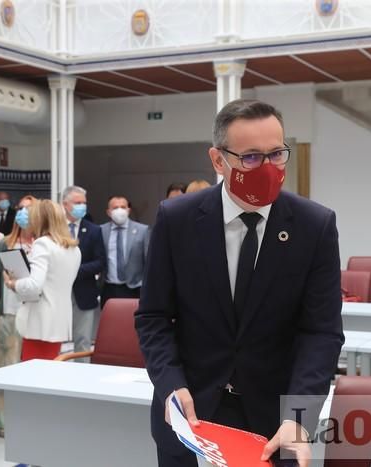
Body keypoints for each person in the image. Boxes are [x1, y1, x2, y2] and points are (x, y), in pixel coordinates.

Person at [135, 99, 344, 467]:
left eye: (277, 154)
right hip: (190, 418)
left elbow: (321, 333)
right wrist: (169, 384)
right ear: (218, 160)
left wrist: (298, 418)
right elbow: (153, 317)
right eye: (250, 157)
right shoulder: (177, 220)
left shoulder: (315, 226)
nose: (267, 168)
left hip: (274, 427)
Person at [0, 195, 36, 431]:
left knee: (27, 366)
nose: (24, 214)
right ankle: (2, 421)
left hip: (32, 314)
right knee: (4, 365)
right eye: (21, 209)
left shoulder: (43, 244)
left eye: (29, 209)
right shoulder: (6, 242)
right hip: (8, 312)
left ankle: (26, 417)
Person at [5, 199, 81, 361]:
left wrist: (13, 284)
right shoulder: (74, 249)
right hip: (59, 321)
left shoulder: (43, 244)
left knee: (32, 377)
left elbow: (34, 285)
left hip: (39, 321)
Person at [61, 186, 106, 362]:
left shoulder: (94, 230)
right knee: (57, 342)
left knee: (83, 342)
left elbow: (100, 262)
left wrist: (74, 270)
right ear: (65, 204)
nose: (82, 206)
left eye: (84, 203)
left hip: (84, 292)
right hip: (59, 294)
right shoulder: (55, 229)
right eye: (77, 203)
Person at [100, 195, 150, 307]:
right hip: (109, 288)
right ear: (108, 212)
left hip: (135, 288)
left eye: (123, 207)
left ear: (128, 210)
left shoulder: (142, 230)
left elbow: (149, 261)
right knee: (110, 323)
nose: (119, 210)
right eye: (115, 207)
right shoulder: (101, 230)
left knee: (132, 323)